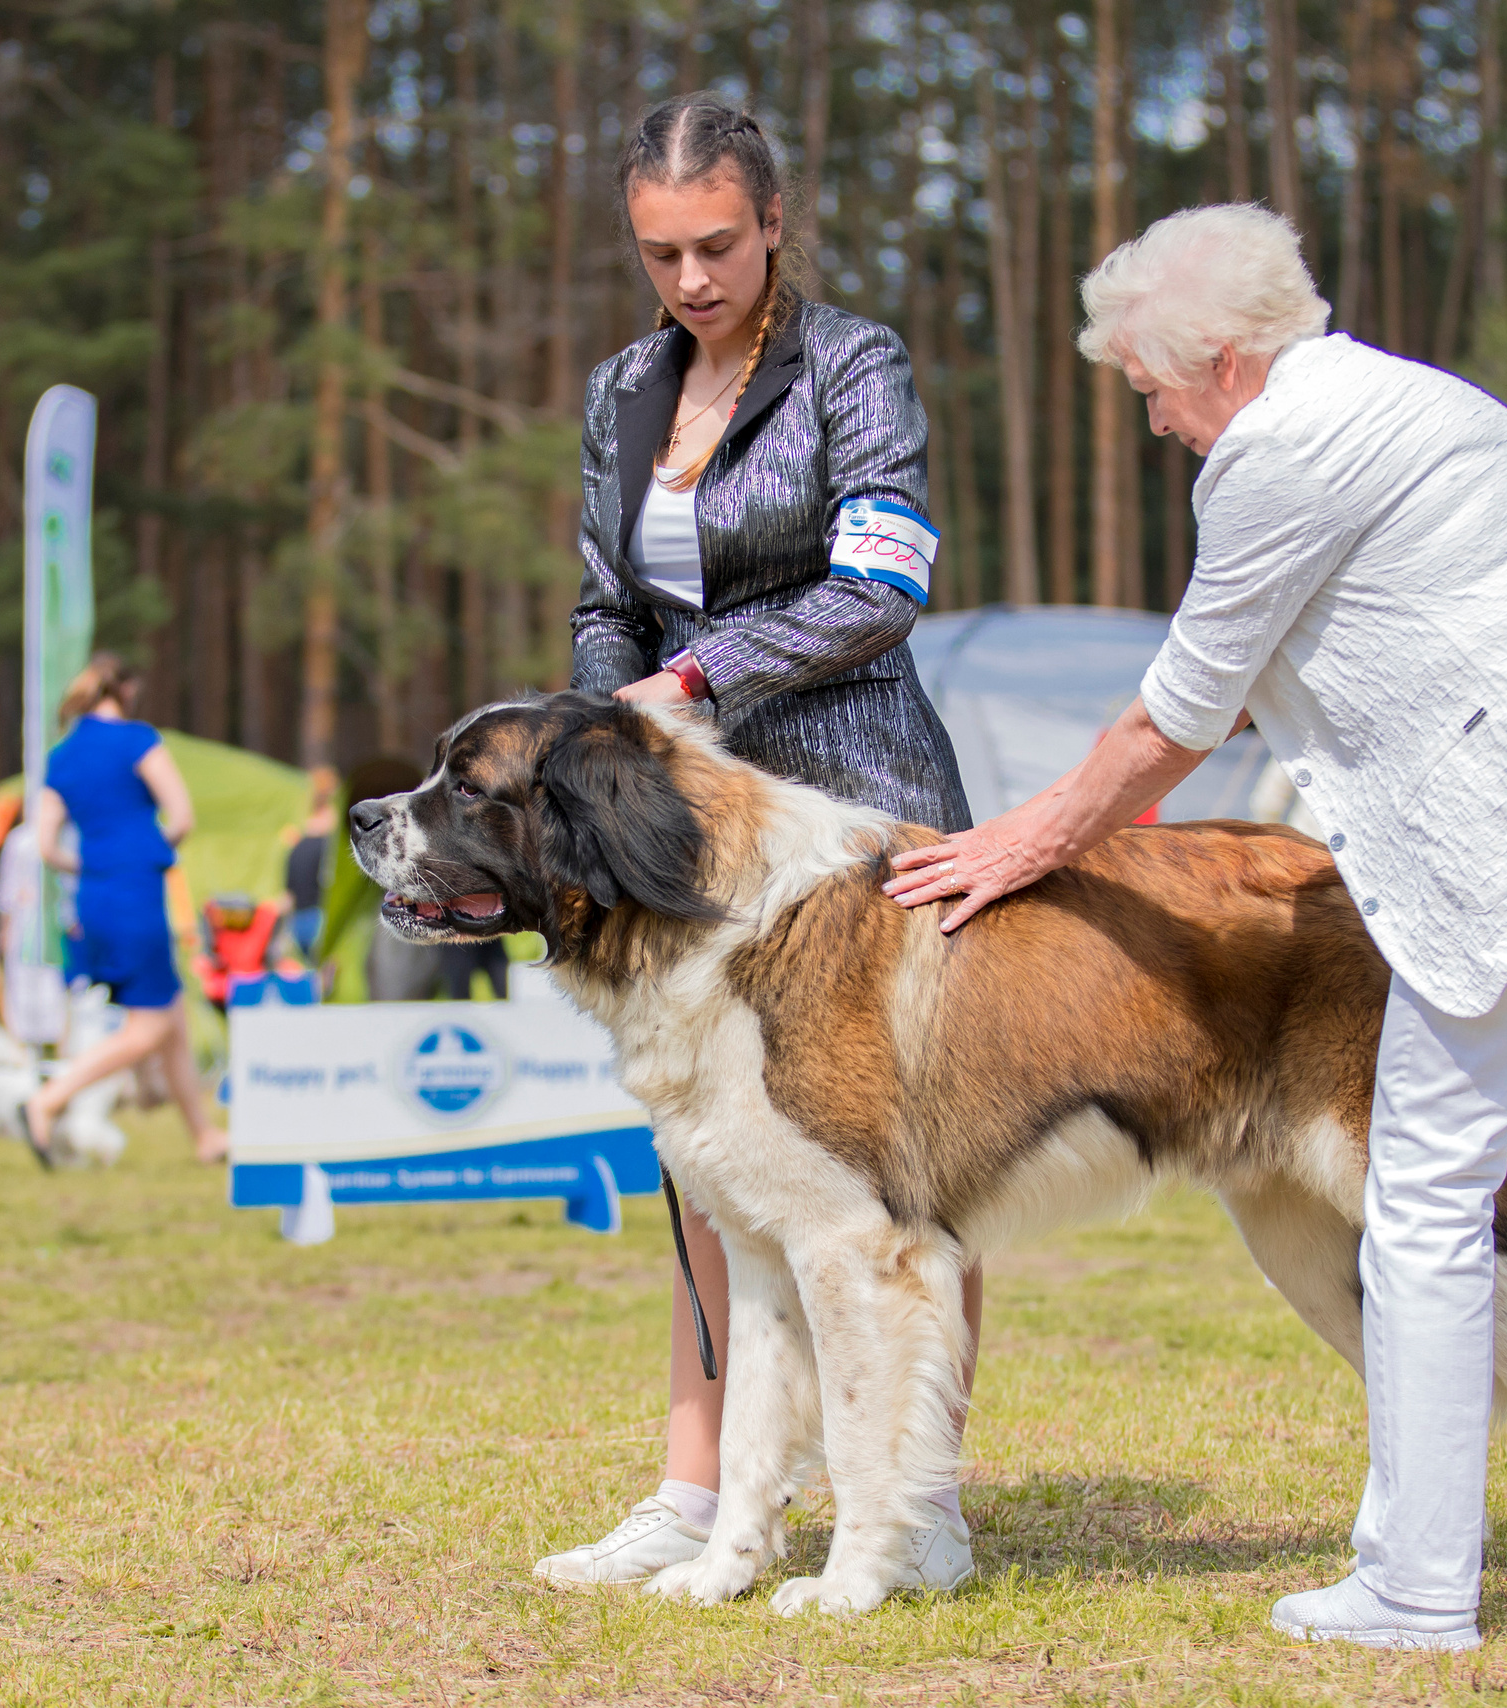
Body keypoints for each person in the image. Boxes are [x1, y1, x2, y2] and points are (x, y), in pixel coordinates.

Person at [886, 205, 1507, 1647]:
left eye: (1148, 388)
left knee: (1425, 1194)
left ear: (1217, 362)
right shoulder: (1416, 396)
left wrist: (1019, 840)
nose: (1153, 423)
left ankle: (1415, 1582)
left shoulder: (1275, 454)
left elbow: (1178, 718)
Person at [539, 92, 983, 1594]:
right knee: (706, 1165)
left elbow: (882, 583)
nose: (692, 281)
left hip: (856, 800)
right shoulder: (619, 391)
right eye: (661, 253)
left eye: (718, 245)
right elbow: (610, 598)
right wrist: (599, 730)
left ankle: (917, 1503)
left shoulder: (853, 364)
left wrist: (694, 683)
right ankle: (696, 1490)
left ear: (774, 220)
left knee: (897, 1173)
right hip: (686, 833)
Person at [24, 655, 226, 1164]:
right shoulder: (138, 739)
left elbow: (46, 846)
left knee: (170, 1016)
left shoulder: (63, 755)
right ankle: (48, 1100)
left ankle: (205, 1136)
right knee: (151, 1027)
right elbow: (181, 817)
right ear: (127, 691)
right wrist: (141, 851)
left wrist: (92, 866)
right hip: (136, 892)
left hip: (93, 896)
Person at [281, 766, 339, 958]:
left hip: (299, 919)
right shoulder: (331, 837)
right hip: (319, 917)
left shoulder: (298, 839)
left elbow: (289, 891)